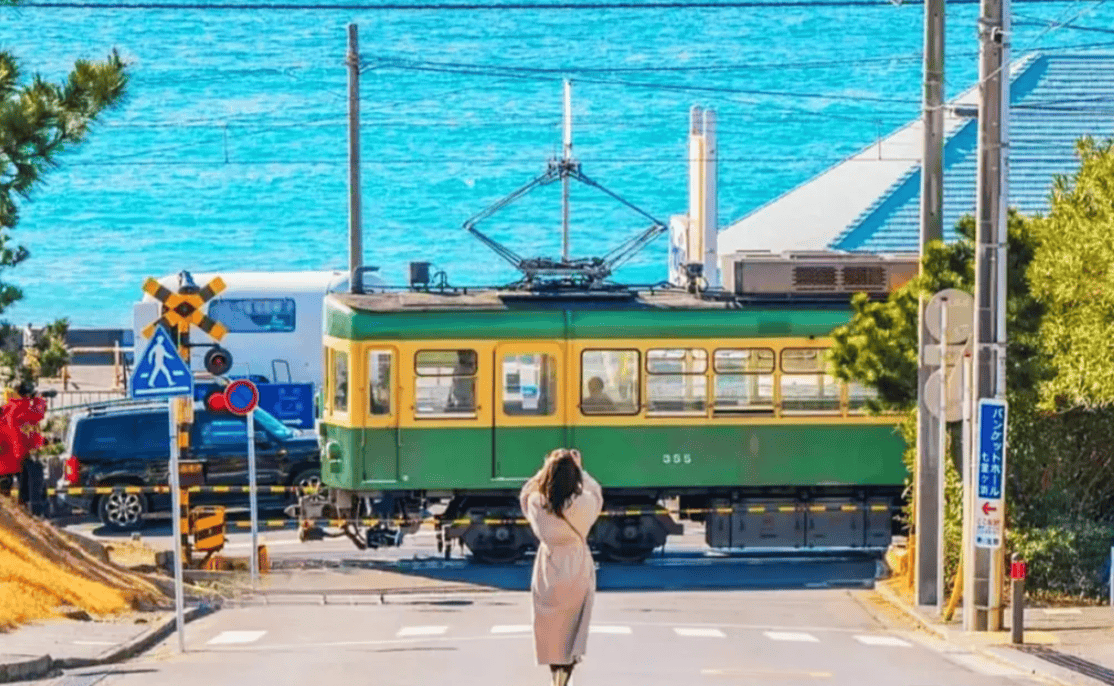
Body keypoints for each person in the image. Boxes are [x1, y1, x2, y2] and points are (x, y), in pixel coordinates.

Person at [519, 448, 604, 686]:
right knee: (573, 627)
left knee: (551, 628)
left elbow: (526, 494)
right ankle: (566, 675)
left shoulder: (537, 503)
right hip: (577, 566)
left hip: (548, 566)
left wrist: (543, 471)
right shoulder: (584, 503)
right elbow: (597, 494)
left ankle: (555, 675)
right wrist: (580, 469)